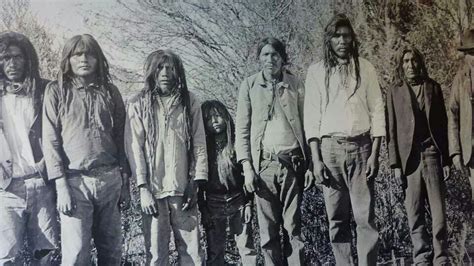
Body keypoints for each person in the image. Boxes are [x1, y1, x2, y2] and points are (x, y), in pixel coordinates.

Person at [304, 13, 385, 266]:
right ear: (329, 40)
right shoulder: (316, 72)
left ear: (352, 39)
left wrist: (375, 154)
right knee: (336, 219)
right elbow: (311, 118)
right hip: (330, 152)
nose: (342, 41)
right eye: (336, 36)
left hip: (362, 149)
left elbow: (377, 110)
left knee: (365, 218)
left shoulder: (366, 68)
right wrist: (316, 161)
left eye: (346, 35)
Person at [42, 34, 130, 265]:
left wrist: (125, 182)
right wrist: (61, 185)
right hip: (74, 183)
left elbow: (122, 139)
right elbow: (50, 140)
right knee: (76, 254)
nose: (84, 59)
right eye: (77, 54)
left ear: (98, 59)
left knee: (111, 251)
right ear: (68, 59)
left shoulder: (111, 92)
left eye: (89, 54)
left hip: (110, 179)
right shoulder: (56, 91)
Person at [125, 49, 207, 265]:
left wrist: (195, 182)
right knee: (156, 255)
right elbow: (134, 147)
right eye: (160, 67)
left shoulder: (190, 102)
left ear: (178, 72)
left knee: (192, 254)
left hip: (183, 190)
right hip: (153, 191)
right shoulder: (138, 103)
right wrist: (143, 188)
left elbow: (199, 143)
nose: (165, 73)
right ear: (152, 71)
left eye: (170, 68)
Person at [235, 37, 310, 265]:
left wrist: (311, 166)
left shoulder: (296, 84)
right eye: (265, 55)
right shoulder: (249, 85)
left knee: (293, 229)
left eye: (275, 54)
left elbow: (307, 125)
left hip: (293, 164)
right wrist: (247, 167)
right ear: (259, 59)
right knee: (268, 233)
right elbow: (242, 130)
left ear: (282, 58)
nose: (270, 59)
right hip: (264, 167)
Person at [0, 31, 59, 265]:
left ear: (28, 59)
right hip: (7, 187)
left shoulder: (44, 92)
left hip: (41, 182)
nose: (11, 63)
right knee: (5, 256)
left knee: (44, 255)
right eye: (5, 58)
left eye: (17, 57)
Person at [387, 47, 450, 265]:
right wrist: (395, 164)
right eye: (405, 61)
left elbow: (443, 125)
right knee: (414, 214)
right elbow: (391, 130)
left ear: (420, 63)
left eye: (414, 60)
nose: (410, 65)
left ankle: (441, 258)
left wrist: (447, 160)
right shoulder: (394, 91)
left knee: (439, 215)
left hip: (432, 155)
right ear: (401, 65)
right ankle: (422, 258)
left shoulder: (433, 87)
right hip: (409, 160)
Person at [199, 100, 257, 265]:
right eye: (209, 118)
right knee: (215, 251)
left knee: (247, 248)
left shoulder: (237, 144)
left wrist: (248, 204)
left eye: (218, 116)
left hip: (238, 200)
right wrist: (204, 210)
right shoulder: (203, 149)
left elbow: (247, 178)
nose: (214, 121)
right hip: (213, 203)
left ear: (226, 117)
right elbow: (199, 186)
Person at [448, 27, 474, 261]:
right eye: (470, 52)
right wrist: (455, 151)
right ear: (464, 55)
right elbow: (453, 115)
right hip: (472, 152)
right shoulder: (460, 79)